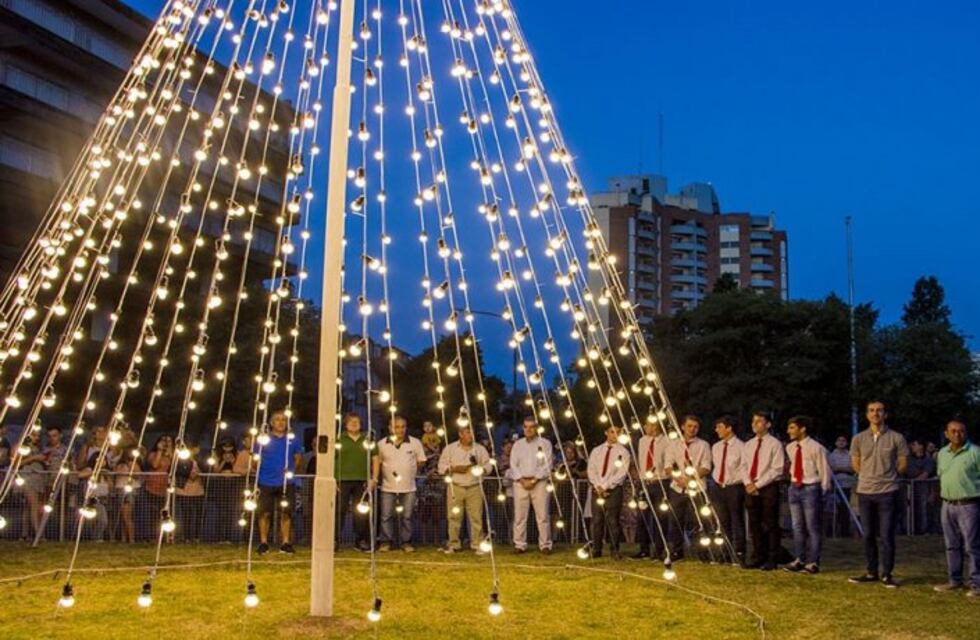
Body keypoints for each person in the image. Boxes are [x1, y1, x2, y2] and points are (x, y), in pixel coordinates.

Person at [848, 400, 909, 588]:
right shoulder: (858, 438)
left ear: (885, 414)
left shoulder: (896, 438)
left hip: (887, 492)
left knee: (886, 535)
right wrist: (867, 475)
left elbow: (903, 464)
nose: (875, 414)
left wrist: (887, 477)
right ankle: (871, 571)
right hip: (865, 492)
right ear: (867, 415)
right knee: (867, 534)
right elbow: (855, 463)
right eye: (872, 410)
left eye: (879, 410)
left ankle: (887, 574)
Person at [933, 419, 980, 597]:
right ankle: (955, 580)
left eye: (960, 431)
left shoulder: (975, 452)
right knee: (951, 545)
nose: (957, 434)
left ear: (965, 433)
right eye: (953, 431)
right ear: (946, 434)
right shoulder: (942, 453)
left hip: (969, 505)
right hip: (947, 504)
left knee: (972, 546)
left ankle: (977, 584)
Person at [783, 416, 831, 574]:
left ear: (802, 429)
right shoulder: (790, 448)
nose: (789, 431)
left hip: (811, 486)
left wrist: (824, 489)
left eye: (792, 428)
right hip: (795, 486)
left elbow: (824, 469)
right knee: (797, 526)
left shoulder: (815, 447)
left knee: (812, 526)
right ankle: (799, 558)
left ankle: (813, 561)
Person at [372, 416, 426, 552]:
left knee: (407, 516)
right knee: (386, 516)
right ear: (390, 428)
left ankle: (405, 542)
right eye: (397, 427)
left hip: (409, 487)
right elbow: (376, 462)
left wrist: (410, 470)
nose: (400, 430)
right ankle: (386, 542)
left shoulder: (415, 443)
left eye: (403, 426)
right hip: (387, 487)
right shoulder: (381, 444)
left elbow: (421, 461)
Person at [437, 425, 492, 553]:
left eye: (472, 432)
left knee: (476, 517)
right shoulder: (450, 449)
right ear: (460, 434)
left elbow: (488, 465)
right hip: (455, 486)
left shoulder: (480, 449)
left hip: (475, 487)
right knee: (454, 517)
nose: (471, 435)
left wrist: (482, 470)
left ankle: (477, 544)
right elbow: (441, 467)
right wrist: (455, 469)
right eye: (468, 432)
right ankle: (454, 544)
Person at [742, 411, 786, 571]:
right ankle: (758, 555)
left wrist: (758, 485)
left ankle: (772, 558)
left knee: (771, 523)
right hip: (750, 486)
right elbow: (744, 466)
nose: (755, 424)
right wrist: (748, 483)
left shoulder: (774, 444)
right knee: (754, 524)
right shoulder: (749, 444)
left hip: (768, 487)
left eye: (759, 421)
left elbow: (777, 469)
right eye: (753, 421)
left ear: (768, 424)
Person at [664, 415, 711, 561]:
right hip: (677, 488)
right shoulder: (673, 444)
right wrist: (678, 479)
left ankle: (702, 552)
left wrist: (690, 479)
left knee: (699, 520)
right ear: (683, 427)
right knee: (676, 520)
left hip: (697, 488)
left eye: (695, 427)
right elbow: (668, 466)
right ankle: (677, 551)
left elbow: (706, 466)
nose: (692, 429)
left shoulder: (703, 445)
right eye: (689, 426)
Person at [255, 411, 303, 554]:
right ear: (271, 423)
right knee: (264, 513)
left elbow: (298, 458)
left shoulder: (292, 440)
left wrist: (291, 469)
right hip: (266, 481)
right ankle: (263, 542)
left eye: (283, 420)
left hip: (286, 482)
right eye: (277, 420)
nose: (281, 422)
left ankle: (285, 542)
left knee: (286, 513)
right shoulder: (263, 439)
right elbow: (255, 459)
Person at [508, 416, 553, 554]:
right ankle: (519, 544)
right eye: (526, 427)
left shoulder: (545, 443)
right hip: (520, 483)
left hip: (539, 483)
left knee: (542, 515)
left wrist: (534, 480)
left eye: (531, 427)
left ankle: (545, 544)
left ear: (536, 428)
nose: (528, 429)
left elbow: (547, 465)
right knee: (520, 516)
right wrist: (522, 480)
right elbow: (513, 464)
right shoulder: (518, 444)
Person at [587, 425, 629, 559]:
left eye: (617, 432)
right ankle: (596, 549)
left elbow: (621, 473)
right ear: (606, 433)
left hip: (614, 490)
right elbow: (591, 469)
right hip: (596, 488)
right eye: (612, 432)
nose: (614, 435)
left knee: (613, 521)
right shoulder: (597, 451)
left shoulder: (623, 452)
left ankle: (614, 550)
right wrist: (597, 485)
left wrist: (606, 486)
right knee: (597, 520)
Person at [334, 413, 374, 551]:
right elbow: (331, 459)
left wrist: (374, 478)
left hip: (362, 480)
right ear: (345, 424)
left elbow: (375, 458)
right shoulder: (339, 439)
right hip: (342, 480)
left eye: (357, 421)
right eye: (351, 422)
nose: (354, 424)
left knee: (362, 512)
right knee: (339, 510)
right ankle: (334, 539)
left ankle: (361, 540)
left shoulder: (368, 440)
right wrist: (333, 479)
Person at [711, 415, 746, 565]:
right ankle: (723, 553)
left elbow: (743, 468)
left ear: (729, 428)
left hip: (734, 487)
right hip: (719, 486)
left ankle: (739, 553)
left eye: (719, 427)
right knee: (722, 521)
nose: (716, 430)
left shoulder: (741, 447)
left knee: (736, 520)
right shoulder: (716, 447)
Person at [633, 419, 669, 560]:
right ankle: (644, 549)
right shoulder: (642, 441)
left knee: (660, 518)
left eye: (647, 424)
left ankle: (660, 550)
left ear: (655, 426)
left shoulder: (666, 441)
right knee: (642, 517)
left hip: (660, 482)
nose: (645, 427)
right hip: (644, 482)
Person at [906, 439, 938, 535]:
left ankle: (925, 530)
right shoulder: (909, 459)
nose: (912, 446)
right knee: (910, 509)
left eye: (914, 444)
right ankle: (911, 529)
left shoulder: (928, 460)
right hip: (909, 489)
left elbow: (926, 474)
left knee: (923, 509)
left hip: (924, 489)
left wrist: (913, 481)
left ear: (920, 446)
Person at [828, 435, 855, 536]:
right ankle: (831, 531)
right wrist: (844, 469)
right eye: (839, 440)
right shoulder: (831, 455)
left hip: (847, 485)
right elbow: (831, 470)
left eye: (843, 440)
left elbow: (852, 469)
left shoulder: (850, 455)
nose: (841, 442)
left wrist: (839, 469)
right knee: (833, 509)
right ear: (836, 443)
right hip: (835, 485)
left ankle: (845, 531)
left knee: (845, 509)